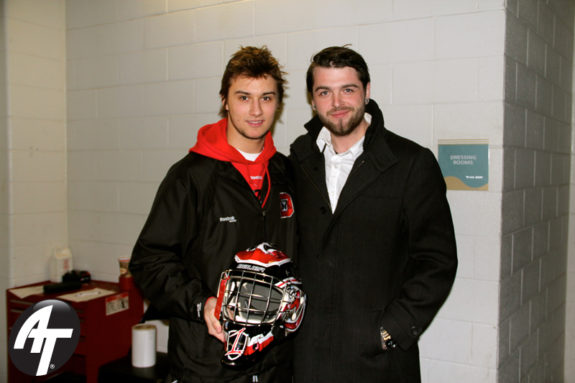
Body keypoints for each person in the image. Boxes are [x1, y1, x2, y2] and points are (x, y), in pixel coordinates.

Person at [289, 46, 458, 382]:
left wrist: (389, 331)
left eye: (347, 90)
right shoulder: (297, 160)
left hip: (380, 361)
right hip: (308, 357)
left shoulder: (411, 163)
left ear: (367, 91)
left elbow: (437, 261)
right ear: (312, 99)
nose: (336, 103)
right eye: (325, 92)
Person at [130, 46, 297, 383]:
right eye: (243, 97)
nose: (255, 110)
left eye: (266, 98)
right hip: (207, 366)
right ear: (224, 100)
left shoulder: (287, 175)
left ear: (277, 103)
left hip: (275, 366)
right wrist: (200, 303)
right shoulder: (191, 177)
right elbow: (149, 260)